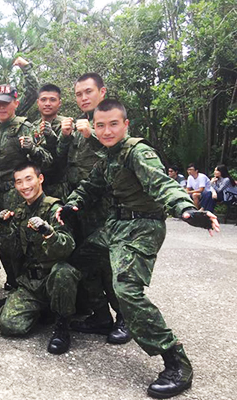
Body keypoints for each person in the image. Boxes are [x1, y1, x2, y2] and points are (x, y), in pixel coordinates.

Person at [57, 99, 220, 398]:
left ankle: (176, 361)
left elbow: (162, 184)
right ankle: (101, 317)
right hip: (116, 225)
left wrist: (185, 209)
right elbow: (91, 186)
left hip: (142, 227)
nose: (106, 131)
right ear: (94, 127)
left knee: (127, 291)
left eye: (113, 124)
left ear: (126, 124)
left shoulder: (137, 151)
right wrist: (73, 204)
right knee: (80, 261)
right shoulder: (107, 157)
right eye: (101, 125)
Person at [57, 73, 129, 344]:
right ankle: (100, 316)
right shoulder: (78, 126)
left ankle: (124, 317)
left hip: (106, 208)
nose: (84, 98)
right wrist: (66, 137)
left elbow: (118, 161)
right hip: (79, 207)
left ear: (102, 91)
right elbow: (62, 165)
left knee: (111, 266)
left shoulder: (109, 123)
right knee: (84, 262)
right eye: (78, 94)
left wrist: (94, 136)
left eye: (88, 92)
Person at [0, 162, 80, 354]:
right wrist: (5, 228)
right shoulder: (19, 212)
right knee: (9, 325)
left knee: (63, 272)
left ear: (40, 179)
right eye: (19, 182)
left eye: (29, 179)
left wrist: (48, 233)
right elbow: (14, 253)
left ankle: (62, 327)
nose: (24, 186)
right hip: (31, 282)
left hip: (53, 279)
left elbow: (67, 248)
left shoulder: (55, 208)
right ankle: (44, 310)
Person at [0, 84, 52, 291]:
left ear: (15, 104)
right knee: (4, 242)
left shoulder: (24, 127)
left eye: (6, 104)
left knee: (25, 240)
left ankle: (32, 288)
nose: (1, 108)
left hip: (20, 193)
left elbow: (47, 159)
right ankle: (15, 284)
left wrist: (32, 148)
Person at [34, 84, 68, 198]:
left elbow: (63, 157)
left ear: (59, 103)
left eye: (52, 100)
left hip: (60, 187)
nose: (47, 103)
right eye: (43, 99)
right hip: (36, 188)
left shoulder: (66, 125)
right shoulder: (32, 127)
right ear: (38, 102)